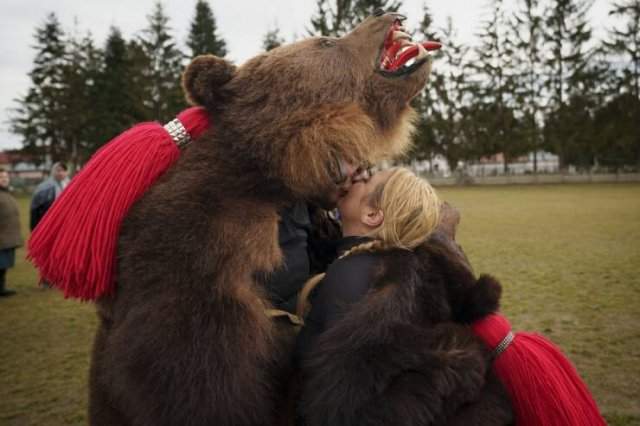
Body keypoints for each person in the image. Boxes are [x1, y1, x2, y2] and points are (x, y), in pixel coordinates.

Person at [295, 167, 604, 426]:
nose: (358, 176)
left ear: (374, 214)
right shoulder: (412, 262)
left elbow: (339, 399)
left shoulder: (351, 275)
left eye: (367, 179)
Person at [0, 168, 24, 297]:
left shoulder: (7, 194)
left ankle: (1, 288)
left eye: (6, 177)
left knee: (3, 266)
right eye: (1, 177)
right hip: (1, 237)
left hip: (7, 237)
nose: (4, 179)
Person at [30, 162, 69, 230]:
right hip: (48, 223)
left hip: (65, 223)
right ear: (53, 171)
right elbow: (35, 209)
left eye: (63, 170)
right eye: (58, 170)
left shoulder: (69, 185)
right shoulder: (43, 188)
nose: (61, 173)